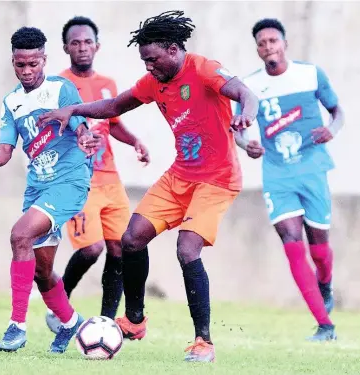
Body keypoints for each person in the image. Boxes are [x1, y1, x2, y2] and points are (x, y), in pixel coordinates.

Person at [37, 10, 259, 362]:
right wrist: (74, 110)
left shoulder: (202, 68)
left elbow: (247, 93)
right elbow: (113, 105)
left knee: (187, 249)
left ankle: (203, 342)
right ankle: (135, 320)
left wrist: (247, 113)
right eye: (144, 61)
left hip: (217, 180)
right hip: (180, 176)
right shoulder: (154, 83)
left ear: (173, 50)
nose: (148, 67)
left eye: (152, 59)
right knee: (131, 238)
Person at [0, 26, 100, 353]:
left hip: (69, 180)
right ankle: (72, 324)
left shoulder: (62, 89)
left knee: (20, 236)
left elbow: (81, 124)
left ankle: (17, 326)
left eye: (34, 64)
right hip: (38, 187)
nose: (28, 71)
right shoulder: (12, 102)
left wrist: (86, 137)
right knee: (42, 272)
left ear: (45, 59)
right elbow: (6, 148)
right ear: (13, 63)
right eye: (21, 65)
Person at [234, 18, 344, 341]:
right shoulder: (249, 86)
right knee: (292, 245)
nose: (268, 47)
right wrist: (247, 145)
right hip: (277, 175)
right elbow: (238, 130)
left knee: (319, 248)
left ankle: (325, 283)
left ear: (284, 44)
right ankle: (325, 326)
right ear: (257, 50)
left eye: (273, 41)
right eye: (262, 43)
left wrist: (331, 130)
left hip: (313, 169)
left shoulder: (310, 74)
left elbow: (338, 111)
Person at [45, 16, 150, 333]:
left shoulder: (107, 84)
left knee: (120, 249)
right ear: (66, 48)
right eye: (75, 43)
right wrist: (76, 138)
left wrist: (135, 142)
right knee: (91, 249)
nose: (82, 48)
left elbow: (113, 122)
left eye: (87, 42)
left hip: (111, 180)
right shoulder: (57, 85)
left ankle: (105, 323)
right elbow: (50, 128)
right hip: (77, 180)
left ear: (97, 45)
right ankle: (58, 302)